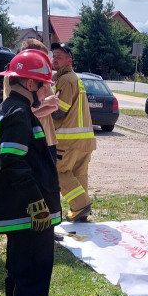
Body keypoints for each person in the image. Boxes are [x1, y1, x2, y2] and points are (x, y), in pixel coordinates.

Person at [0, 50, 68, 296]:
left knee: (17, 273)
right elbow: (13, 161)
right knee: (34, 277)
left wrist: (39, 110)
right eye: (44, 83)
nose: (48, 89)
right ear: (32, 82)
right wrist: (37, 205)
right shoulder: (19, 114)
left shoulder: (11, 108)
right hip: (28, 213)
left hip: (16, 210)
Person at [50, 42, 95, 222]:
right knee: (78, 174)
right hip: (84, 139)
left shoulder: (66, 79)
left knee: (59, 173)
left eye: (59, 57)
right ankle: (79, 212)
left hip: (68, 140)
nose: (55, 60)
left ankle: (80, 204)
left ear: (69, 60)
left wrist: (39, 109)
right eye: (54, 56)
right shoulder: (74, 78)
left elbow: (60, 110)